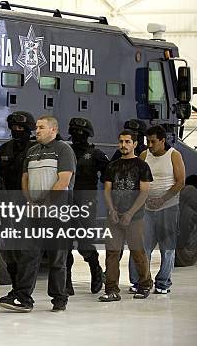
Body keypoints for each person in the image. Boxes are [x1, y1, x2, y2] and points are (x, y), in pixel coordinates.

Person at [4, 115, 75, 313]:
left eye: (42, 127)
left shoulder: (63, 150)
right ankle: (23, 297)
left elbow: (63, 182)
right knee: (29, 255)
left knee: (57, 257)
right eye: (37, 127)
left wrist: (45, 204)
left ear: (53, 129)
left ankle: (60, 298)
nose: (37, 130)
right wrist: (29, 201)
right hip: (34, 213)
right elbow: (25, 179)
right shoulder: (32, 151)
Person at [129, 125, 184, 294]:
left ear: (162, 140)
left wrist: (162, 199)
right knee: (141, 246)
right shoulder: (145, 155)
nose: (150, 145)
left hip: (168, 207)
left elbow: (180, 182)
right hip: (146, 208)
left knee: (167, 248)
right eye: (148, 142)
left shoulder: (174, 155)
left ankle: (163, 283)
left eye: (153, 142)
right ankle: (139, 280)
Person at [99, 129, 153, 302]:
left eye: (128, 142)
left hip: (135, 217)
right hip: (114, 216)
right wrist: (112, 211)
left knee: (137, 252)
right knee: (112, 253)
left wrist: (130, 213)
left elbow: (144, 192)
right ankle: (112, 289)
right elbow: (107, 190)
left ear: (135, 144)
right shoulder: (112, 166)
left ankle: (145, 284)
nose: (123, 145)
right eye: (121, 141)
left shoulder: (142, 166)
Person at [0, 111, 36, 307]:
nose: (17, 131)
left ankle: (23, 294)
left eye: (21, 128)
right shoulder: (4, 149)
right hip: (7, 204)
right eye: (14, 128)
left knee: (26, 252)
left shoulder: (37, 150)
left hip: (28, 205)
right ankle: (16, 289)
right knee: (10, 251)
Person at [66, 117, 109, 295]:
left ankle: (95, 268)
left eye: (81, 133)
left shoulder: (96, 154)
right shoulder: (64, 151)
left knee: (84, 242)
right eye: (75, 132)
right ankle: (66, 281)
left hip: (86, 202)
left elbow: (109, 175)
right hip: (66, 201)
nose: (78, 135)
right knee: (64, 244)